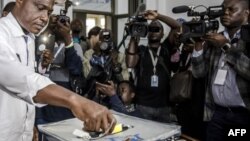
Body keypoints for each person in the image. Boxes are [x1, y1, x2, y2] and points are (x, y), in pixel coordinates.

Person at [0, 0, 116, 141]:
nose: (45, 18)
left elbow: (25, 93)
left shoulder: (29, 38)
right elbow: (24, 81)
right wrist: (76, 101)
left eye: (48, 12)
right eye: (40, 8)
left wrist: (28, 125)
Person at [191, 0, 250, 140]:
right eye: (223, 9)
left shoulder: (247, 39)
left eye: (232, 9)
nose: (225, 13)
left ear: (246, 13)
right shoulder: (214, 38)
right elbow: (199, 73)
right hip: (216, 113)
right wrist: (198, 44)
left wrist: (225, 46)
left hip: (243, 116)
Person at [126, 10, 180, 123]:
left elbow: (176, 26)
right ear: (147, 32)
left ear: (162, 33)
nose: (154, 32)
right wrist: (133, 35)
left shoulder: (166, 48)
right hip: (143, 105)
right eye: (151, 29)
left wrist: (158, 16)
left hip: (164, 106)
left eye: (157, 29)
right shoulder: (141, 50)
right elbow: (130, 63)